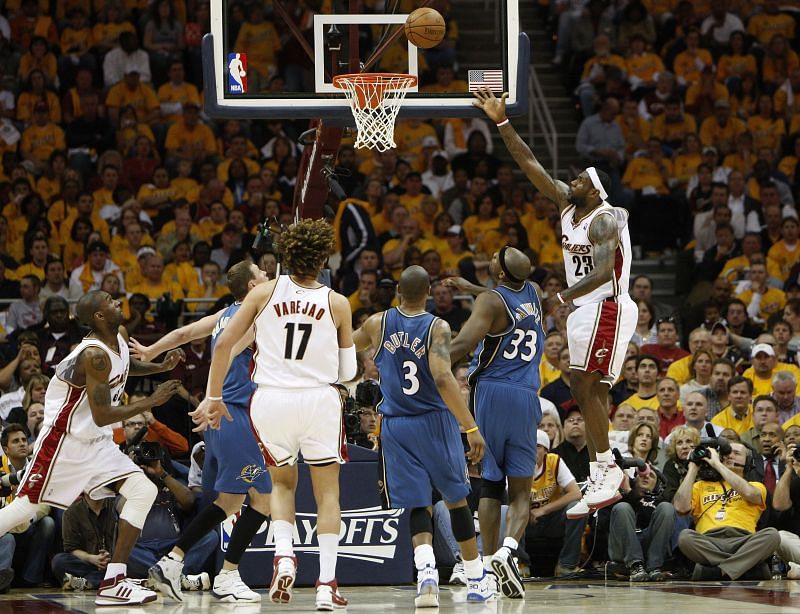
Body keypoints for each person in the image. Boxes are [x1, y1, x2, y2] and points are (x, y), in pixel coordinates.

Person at [473, 87, 636, 518]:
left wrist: (560, 295)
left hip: (608, 304)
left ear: (597, 190)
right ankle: (606, 470)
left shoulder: (603, 219)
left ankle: (607, 468)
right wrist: (502, 122)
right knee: (590, 388)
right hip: (587, 309)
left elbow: (603, 272)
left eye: (581, 178)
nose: (573, 181)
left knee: (583, 384)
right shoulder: (568, 206)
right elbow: (530, 164)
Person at [202, 219, 355, 611]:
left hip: (270, 401)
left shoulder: (263, 294)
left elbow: (222, 345)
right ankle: (325, 584)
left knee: (281, 486)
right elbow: (349, 373)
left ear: (285, 256)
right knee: (328, 493)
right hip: (319, 400)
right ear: (322, 258)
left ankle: (284, 556)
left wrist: (213, 396)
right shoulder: (337, 302)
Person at [0, 290, 182, 606]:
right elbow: (103, 414)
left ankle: (114, 581)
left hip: (95, 442)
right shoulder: (93, 355)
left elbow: (125, 368)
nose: (117, 302)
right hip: (64, 441)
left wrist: (158, 366)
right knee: (25, 508)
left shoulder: (119, 339)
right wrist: (153, 400)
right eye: (110, 301)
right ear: (98, 316)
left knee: (142, 490)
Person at [353, 265, 494, 607]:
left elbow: (344, 347)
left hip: (396, 426)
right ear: (429, 294)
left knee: (416, 502)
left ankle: (426, 578)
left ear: (398, 292)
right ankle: (476, 577)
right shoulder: (438, 327)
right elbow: (444, 378)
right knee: (456, 498)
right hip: (434, 421)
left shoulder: (377, 323)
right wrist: (471, 426)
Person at [132, 260, 271, 603]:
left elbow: (183, 334)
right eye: (262, 273)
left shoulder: (228, 312)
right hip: (234, 414)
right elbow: (226, 349)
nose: (268, 276)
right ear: (253, 287)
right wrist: (212, 396)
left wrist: (152, 350)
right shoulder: (249, 319)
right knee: (264, 498)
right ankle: (226, 575)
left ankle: (173, 563)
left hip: (228, 419)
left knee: (229, 501)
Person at [446, 246, 544, 600]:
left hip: (491, 392)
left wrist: (429, 357)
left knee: (489, 482)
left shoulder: (489, 303)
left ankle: (486, 567)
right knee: (521, 490)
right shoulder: (534, 293)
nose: (489, 257)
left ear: (501, 273)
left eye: (494, 257)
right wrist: (472, 289)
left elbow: (463, 343)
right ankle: (508, 552)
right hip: (527, 397)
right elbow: (502, 299)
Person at [674, 442, 781, 580]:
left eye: (736, 453)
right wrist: (693, 468)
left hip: (744, 541)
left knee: (772, 535)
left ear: (748, 462)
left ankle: (718, 571)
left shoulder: (756, 485)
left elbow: (750, 494)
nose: (730, 456)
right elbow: (680, 508)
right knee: (685, 537)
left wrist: (718, 465)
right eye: (727, 453)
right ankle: (748, 568)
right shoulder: (700, 486)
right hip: (709, 542)